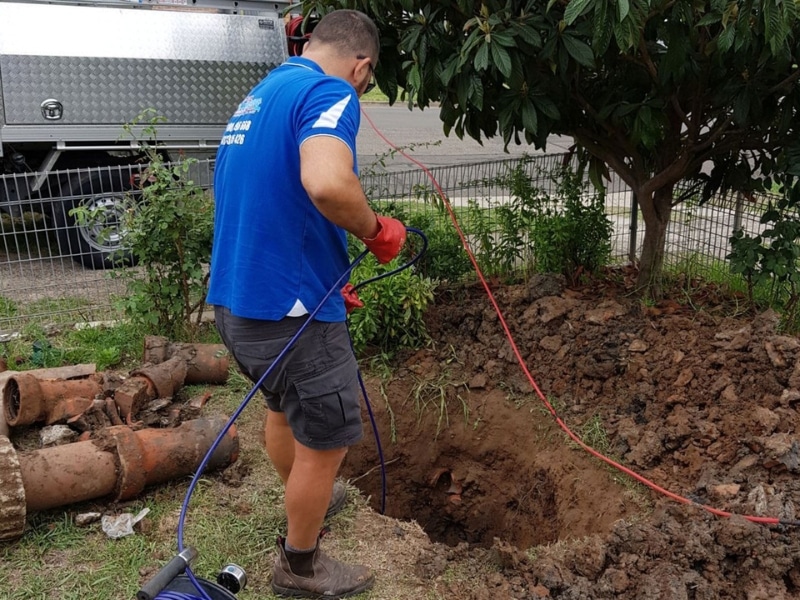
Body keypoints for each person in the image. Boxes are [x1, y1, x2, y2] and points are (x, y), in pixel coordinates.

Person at [207, 9, 406, 599]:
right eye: (365, 83)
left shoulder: (263, 93)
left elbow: (271, 197)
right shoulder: (330, 91)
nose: (360, 92)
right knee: (329, 435)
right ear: (361, 65)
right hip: (289, 314)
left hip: (240, 304)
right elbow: (325, 182)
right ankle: (300, 568)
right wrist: (375, 230)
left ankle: (308, 496)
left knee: (281, 408)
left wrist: (318, 268)